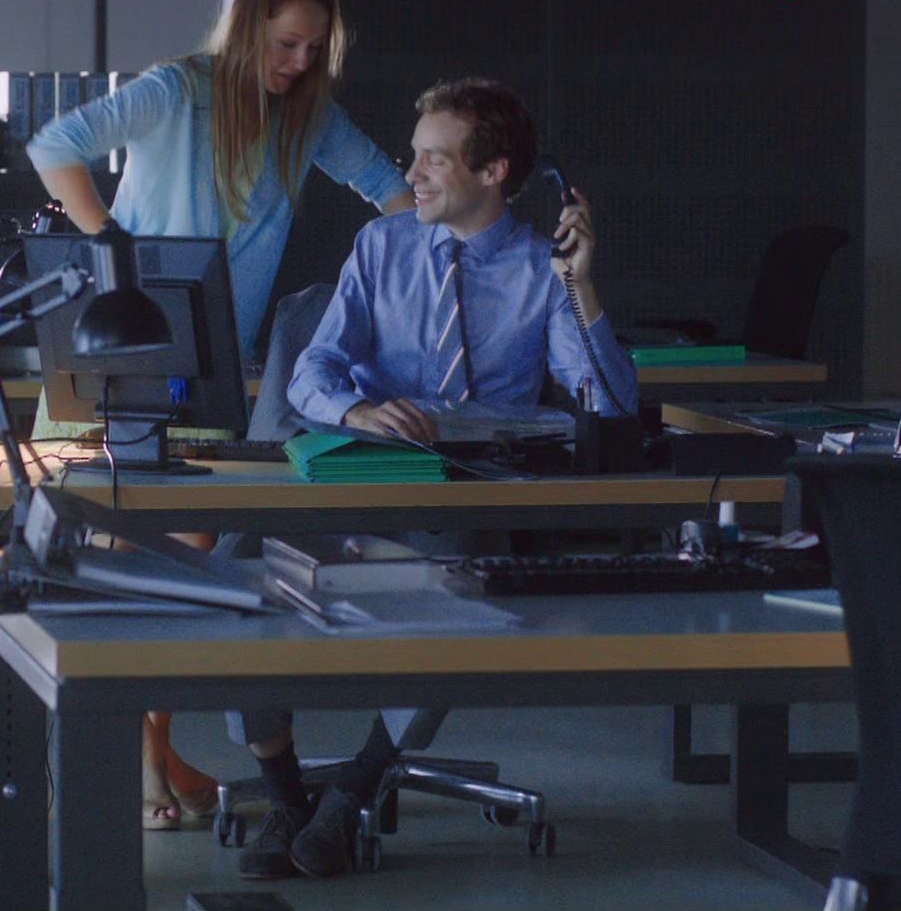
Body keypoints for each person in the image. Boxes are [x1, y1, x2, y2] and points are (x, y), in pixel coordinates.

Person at [27, 0, 412, 831]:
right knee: (127, 558)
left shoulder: (309, 117)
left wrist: (419, 272)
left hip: (212, 367)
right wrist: (113, 247)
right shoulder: (176, 91)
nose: (300, 63)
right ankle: (137, 758)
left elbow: (394, 194)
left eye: (315, 48)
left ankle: (149, 753)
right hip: (125, 344)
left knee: (184, 567)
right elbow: (53, 148)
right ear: (247, 31)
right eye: (286, 44)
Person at [235, 77, 639, 880]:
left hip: (464, 494)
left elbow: (611, 405)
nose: (410, 176)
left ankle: (352, 791)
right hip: (363, 473)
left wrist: (582, 284)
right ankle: (286, 796)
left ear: (493, 172)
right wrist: (358, 409)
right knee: (241, 560)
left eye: (433, 160)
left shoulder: (541, 269)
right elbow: (311, 373)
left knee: (462, 587)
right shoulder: (380, 246)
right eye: (411, 156)